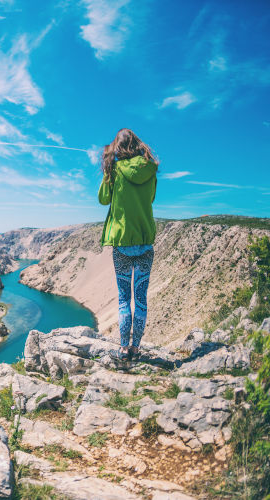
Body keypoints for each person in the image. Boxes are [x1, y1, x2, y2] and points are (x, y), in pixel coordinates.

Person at [98, 128, 158, 361]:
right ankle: (136, 347)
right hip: (144, 241)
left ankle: (123, 349)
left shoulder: (114, 170)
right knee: (141, 298)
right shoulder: (150, 169)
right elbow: (150, 198)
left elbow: (103, 199)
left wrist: (107, 172)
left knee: (124, 299)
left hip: (122, 242)